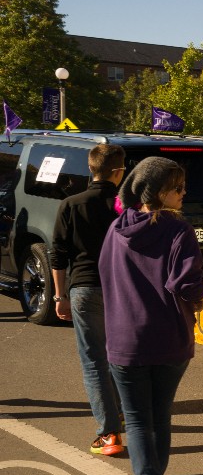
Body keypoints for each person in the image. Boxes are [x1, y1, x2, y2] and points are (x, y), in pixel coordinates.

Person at [99, 157, 203, 475]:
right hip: (170, 337)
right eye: (178, 188)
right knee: (159, 416)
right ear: (159, 192)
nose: (183, 193)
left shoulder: (116, 230)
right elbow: (188, 284)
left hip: (125, 338)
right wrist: (200, 298)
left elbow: (104, 276)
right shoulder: (178, 231)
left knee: (138, 422)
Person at [50, 143, 127, 457]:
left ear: (91, 169)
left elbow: (58, 253)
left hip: (83, 288)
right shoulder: (124, 206)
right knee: (120, 357)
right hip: (121, 290)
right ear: (119, 172)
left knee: (94, 360)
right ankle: (121, 414)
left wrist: (59, 295)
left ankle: (108, 433)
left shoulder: (70, 204)